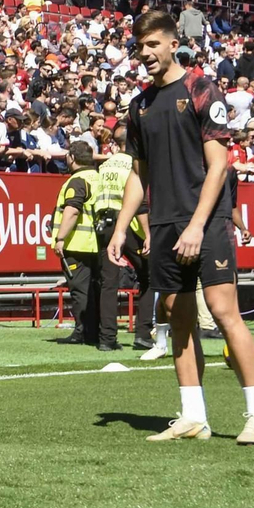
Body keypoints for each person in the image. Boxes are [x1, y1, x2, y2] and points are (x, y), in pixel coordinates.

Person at [108, 10, 254, 445]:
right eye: (139, 47)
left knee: (223, 312)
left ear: (172, 43)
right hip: (164, 224)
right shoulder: (139, 106)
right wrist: (122, 228)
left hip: (207, 220)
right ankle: (193, 417)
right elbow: (138, 174)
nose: (145, 53)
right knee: (177, 318)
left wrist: (198, 226)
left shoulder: (201, 89)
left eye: (152, 44)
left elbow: (219, 165)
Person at [52, 143, 119, 351]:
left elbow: (72, 210)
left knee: (79, 290)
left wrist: (60, 238)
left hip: (76, 243)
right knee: (95, 288)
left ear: (72, 157)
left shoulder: (77, 180)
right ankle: (95, 331)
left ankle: (83, 331)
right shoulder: (98, 177)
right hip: (97, 243)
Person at [98, 148, 157, 356]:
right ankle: (143, 333)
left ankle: (107, 339)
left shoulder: (105, 165)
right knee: (149, 276)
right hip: (127, 225)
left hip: (104, 223)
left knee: (108, 283)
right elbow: (140, 203)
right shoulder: (134, 166)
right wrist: (148, 233)